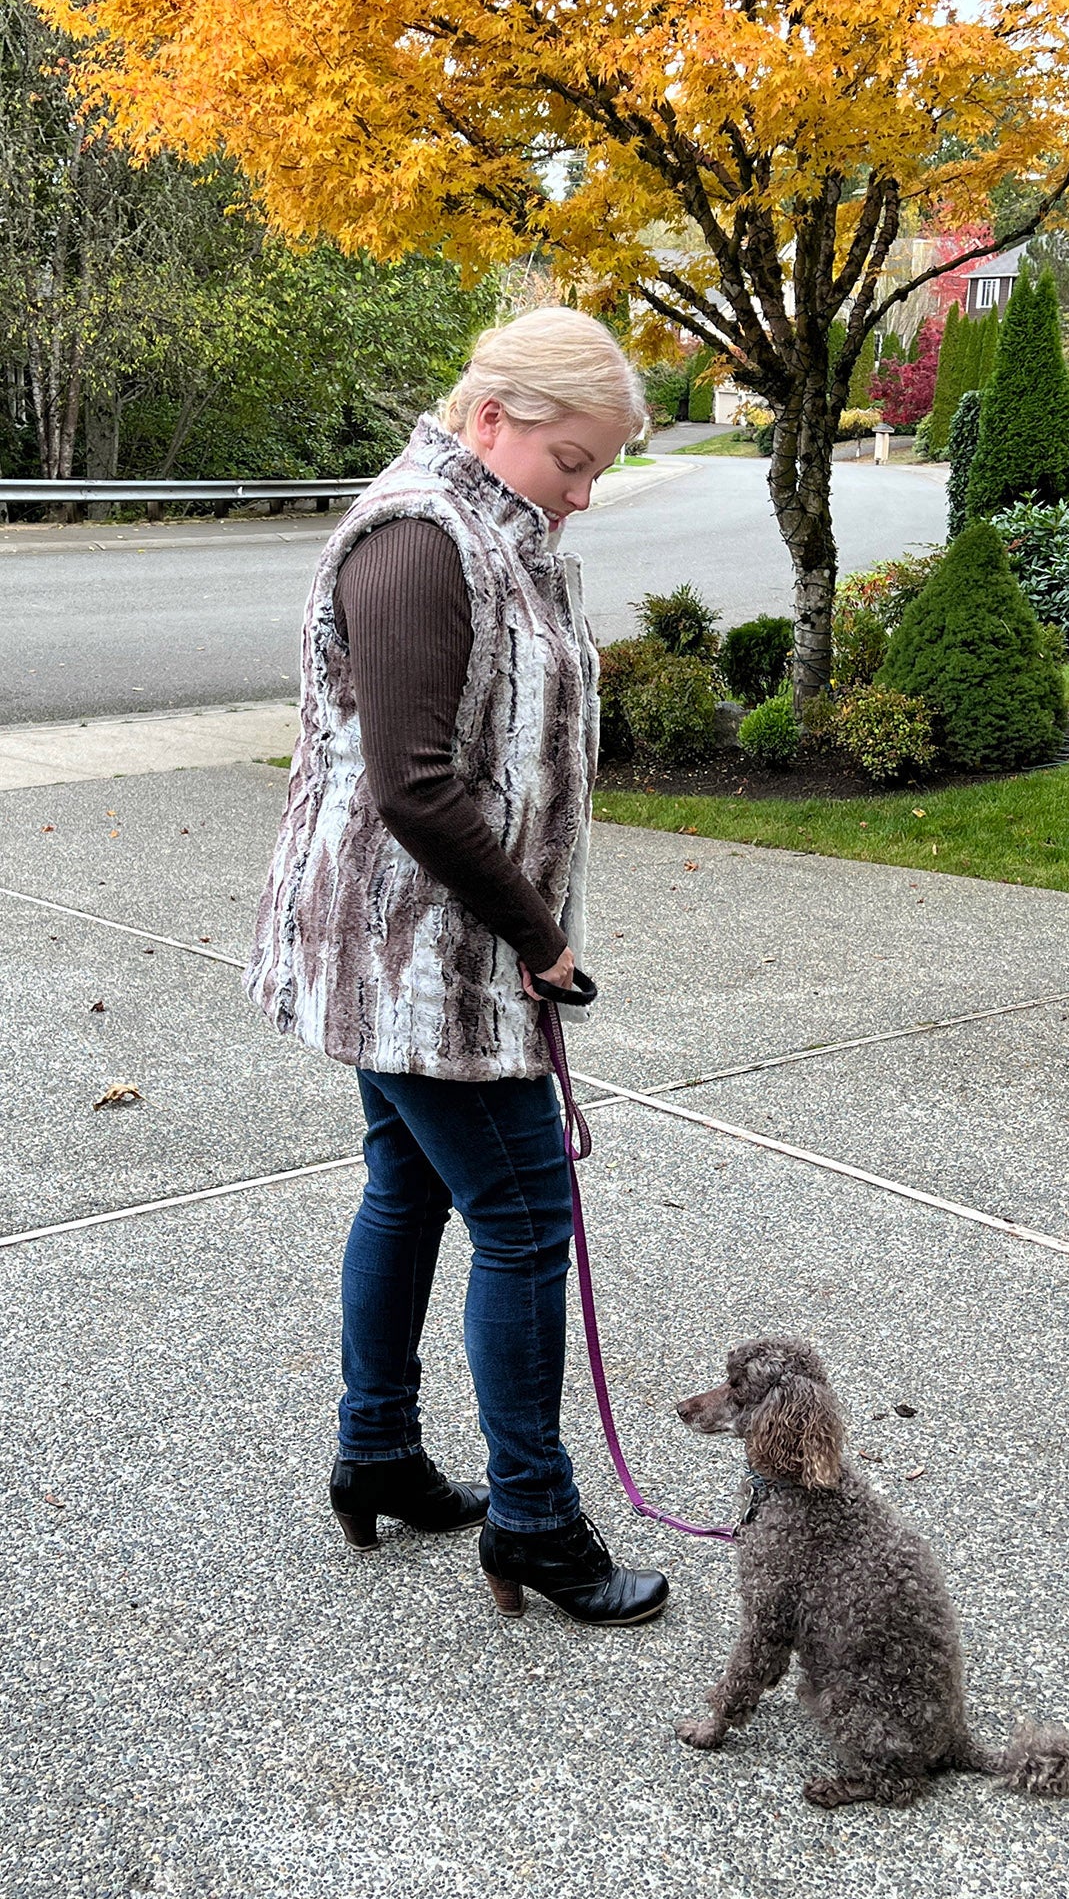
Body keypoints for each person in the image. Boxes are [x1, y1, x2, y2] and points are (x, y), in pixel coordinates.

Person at [245, 308, 668, 1626]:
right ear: (494, 420)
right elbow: (416, 790)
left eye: (601, 469)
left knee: (409, 1186)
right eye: (573, 461)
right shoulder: (423, 537)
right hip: (417, 952)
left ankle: (374, 1452)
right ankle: (536, 1521)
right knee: (527, 1223)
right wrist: (543, 941)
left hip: (430, 943)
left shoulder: (494, 525)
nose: (585, 495)